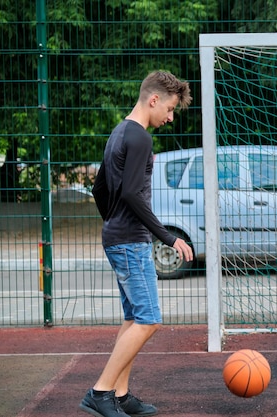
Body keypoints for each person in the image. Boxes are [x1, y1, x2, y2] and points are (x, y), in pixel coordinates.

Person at [81, 71, 194, 417]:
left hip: (119, 237)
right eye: (171, 108)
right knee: (149, 319)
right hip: (130, 241)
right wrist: (169, 236)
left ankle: (121, 394)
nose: (171, 118)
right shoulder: (140, 137)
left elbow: (100, 189)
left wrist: (112, 221)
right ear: (154, 99)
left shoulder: (119, 131)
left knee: (133, 318)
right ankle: (100, 392)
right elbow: (130, 192)